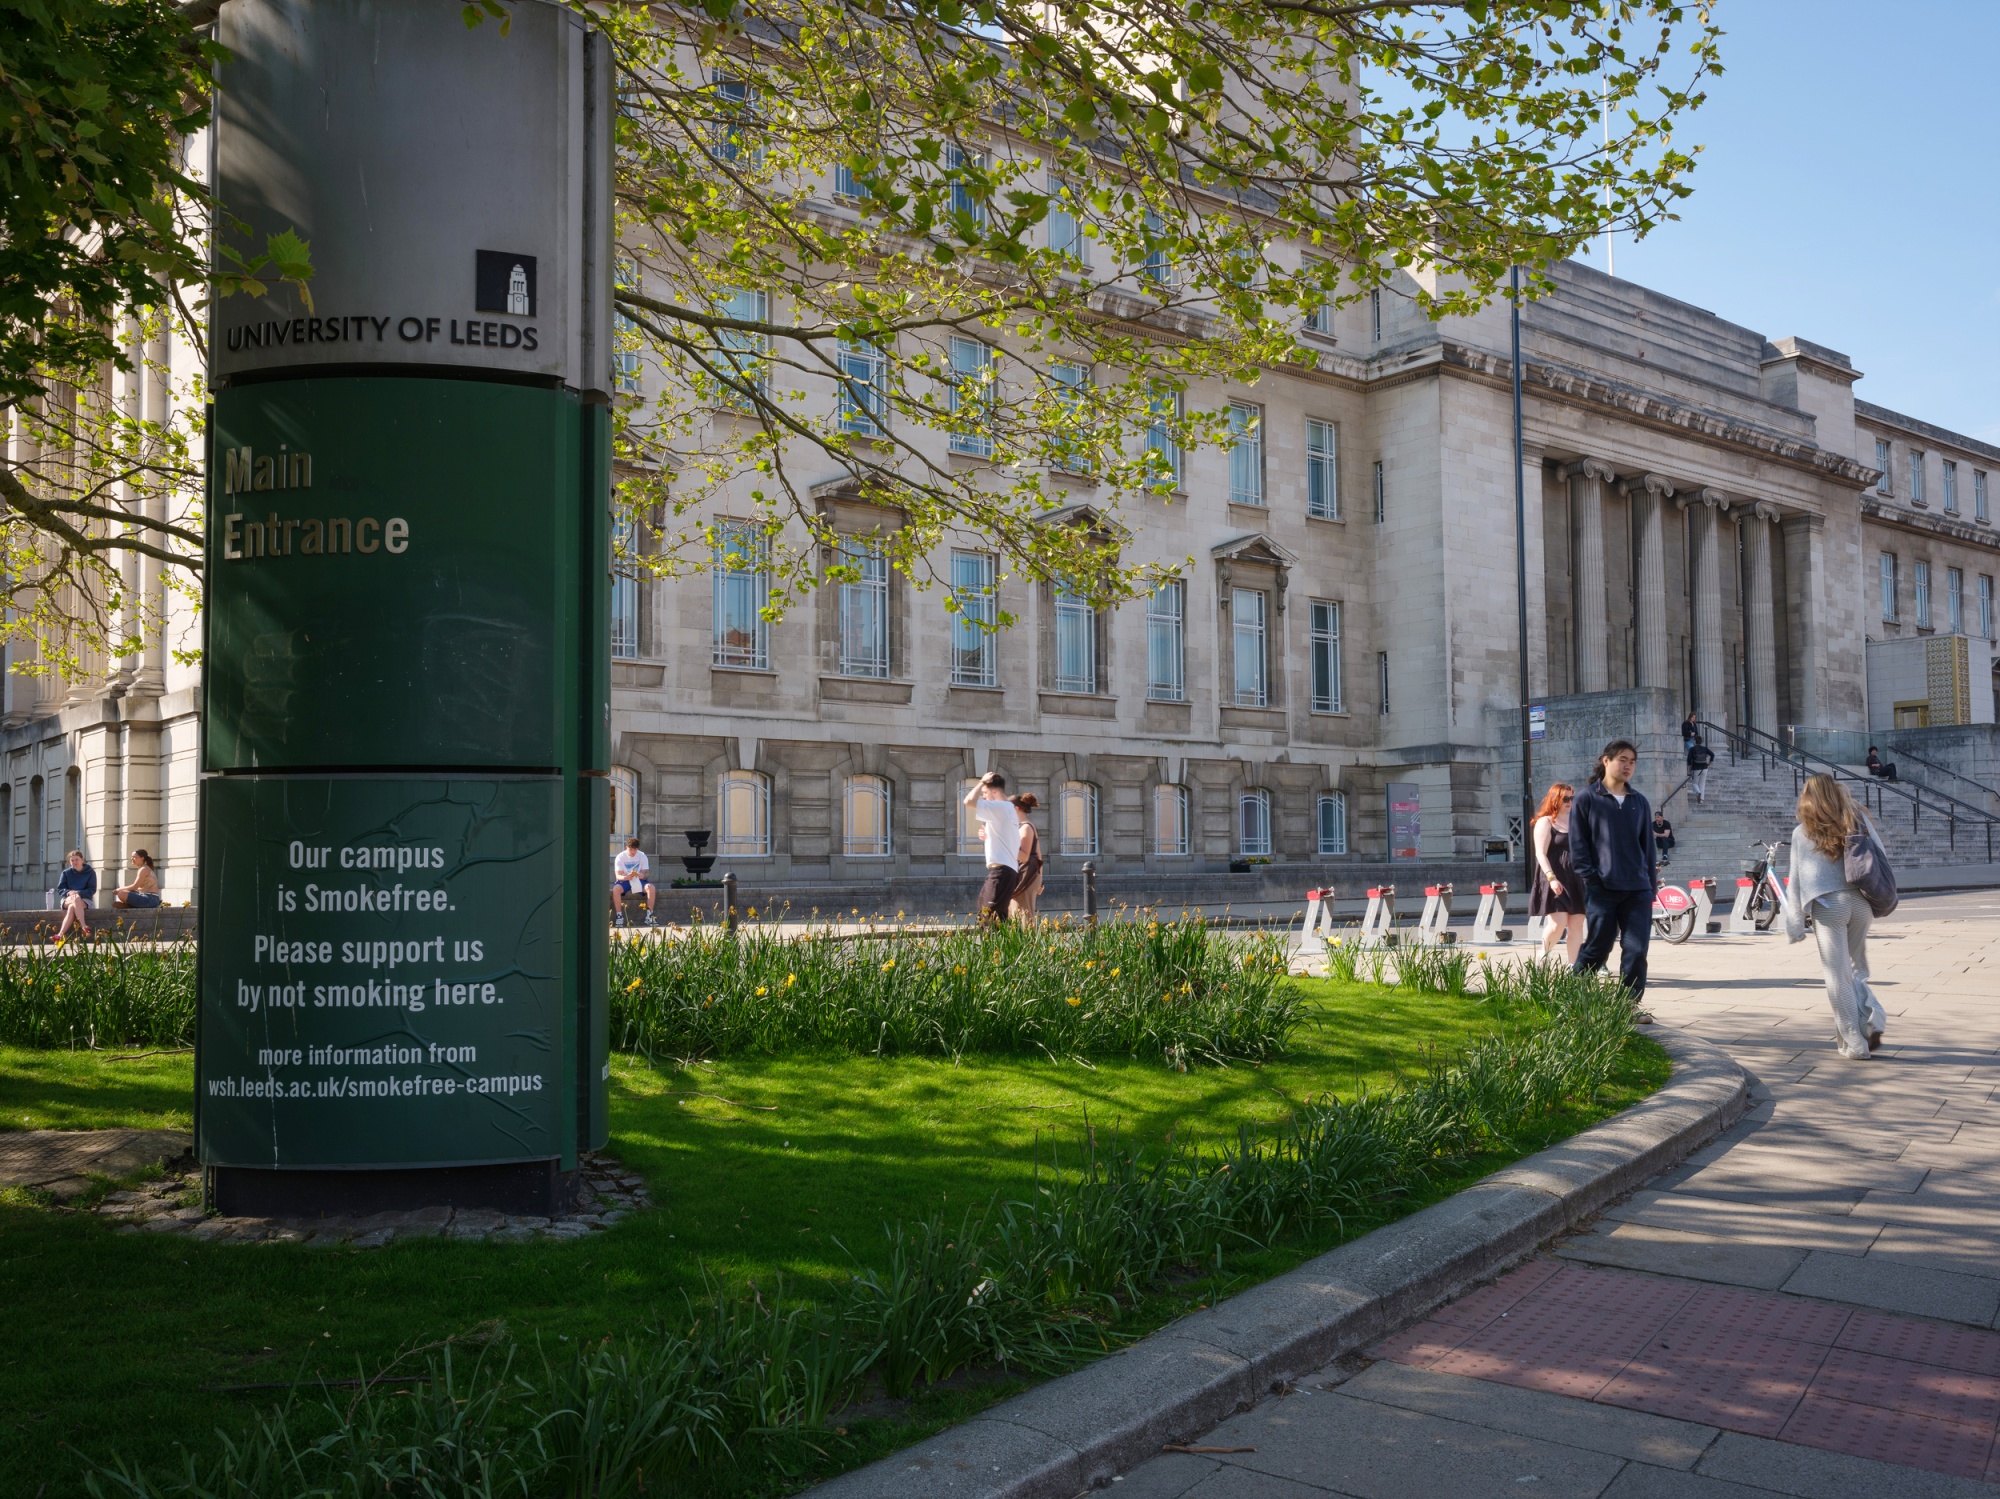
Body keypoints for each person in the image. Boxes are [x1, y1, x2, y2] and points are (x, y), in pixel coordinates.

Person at [1783, 774, 1889, 1059]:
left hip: (1830, 908)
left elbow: (1795, 880)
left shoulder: (1801, 832)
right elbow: (1880, 854)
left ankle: (1854, 1042)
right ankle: (1870, 1019)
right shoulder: (1855, 821)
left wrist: (1794, 922)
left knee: (1836, 977)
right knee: (1856, 971)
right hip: (1861, 904)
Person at [1568, 739, 1657, 1019]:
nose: (1628, 765)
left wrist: (1650, 885)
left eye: (1632, 761)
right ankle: (1573, 995)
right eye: (1622, 759)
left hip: (1637, 890)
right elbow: (1578, 845)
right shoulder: (1586, 798)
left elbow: (1648, 849)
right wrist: (1591, 878)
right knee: (1598, 946)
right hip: (1602, 889)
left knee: (1636, 949)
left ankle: (1628, 1005)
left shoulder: (1639, 801)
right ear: (1605, 760)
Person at [1528, 783, 1585, 963]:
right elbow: (1540, 853)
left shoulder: (1575, 821)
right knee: (1557, 924)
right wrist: (1551, 878)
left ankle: (1573, 968)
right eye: (1565, 798)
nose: (1569, 802)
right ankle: (1542, 957)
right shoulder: (1545, 822)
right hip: (1554, 877)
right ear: (1555, 799)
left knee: (1577, 926)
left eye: (1571, 798)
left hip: (1576, 878)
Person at [961, 771, 1020, 925]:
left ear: (994, 792)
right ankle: (1003, 948)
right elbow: (1005, 836)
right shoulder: (1007, 809)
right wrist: (988, 835)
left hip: (1002, 871)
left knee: (988, 917)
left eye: (985, 793)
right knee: (992, 914)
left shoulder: (1001, 807)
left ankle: (994, 948)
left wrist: (981, 782)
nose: (984, 797)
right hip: (1005, 870)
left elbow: (968, 801)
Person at [1009, 793, 1044, 923]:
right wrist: (1040, 879)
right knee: (1016, 916)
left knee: (1024, 917)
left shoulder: (1025, 828)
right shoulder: (1022, 827)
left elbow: (1024, 857)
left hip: (1026, 877)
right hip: (1025, 876)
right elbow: (1039, 855)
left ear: (1016, 809)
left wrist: (1005, 844)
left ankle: (1029, 943)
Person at [610, 837, 657, 928]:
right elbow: (618, 876)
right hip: (625, 880)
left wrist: (642, 875)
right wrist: (626, 877)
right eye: (631, 849)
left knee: (651, 888)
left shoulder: (642, 855)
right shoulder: (620, 857)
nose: (633, 852)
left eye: (635, 849)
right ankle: (619, 916)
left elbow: (646, 874)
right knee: (616, 889)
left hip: (639, 880)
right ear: (626, 847)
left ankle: (649, 915)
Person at [52, 849, 96, 942]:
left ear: (82, 859)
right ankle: (84, 926)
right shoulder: (66, 873)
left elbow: (92, 890)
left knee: (73, 907)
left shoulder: (90, 872)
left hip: (85, 900)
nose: (74, 862)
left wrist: (78, 893)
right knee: (74, 899)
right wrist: (69, 893)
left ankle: (60, 935)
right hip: (67, 899)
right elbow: (60, 889)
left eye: (77, 859)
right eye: (72, 860)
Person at [1685, 734, 1714, 803]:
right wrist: (1710, 761)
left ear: (1695, 741)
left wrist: (1689, 767)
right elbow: (1712, 754)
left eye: (1694, 740)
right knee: (1702, 784)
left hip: (1696, 768)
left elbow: (1689, 759)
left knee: (1695, 783)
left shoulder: (1692, 749)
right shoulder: (1704, 748)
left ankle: (1698, 792)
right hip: (1705, 768)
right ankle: (1701, 799)